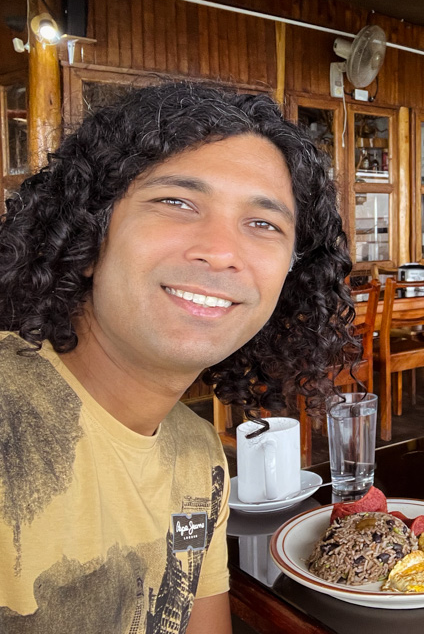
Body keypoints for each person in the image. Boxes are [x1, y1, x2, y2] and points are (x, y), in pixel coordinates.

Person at [0, 82, 358, 633]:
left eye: (263, 223)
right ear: (89, 234)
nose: (221, 250)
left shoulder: (197, 459)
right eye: (176, 202)